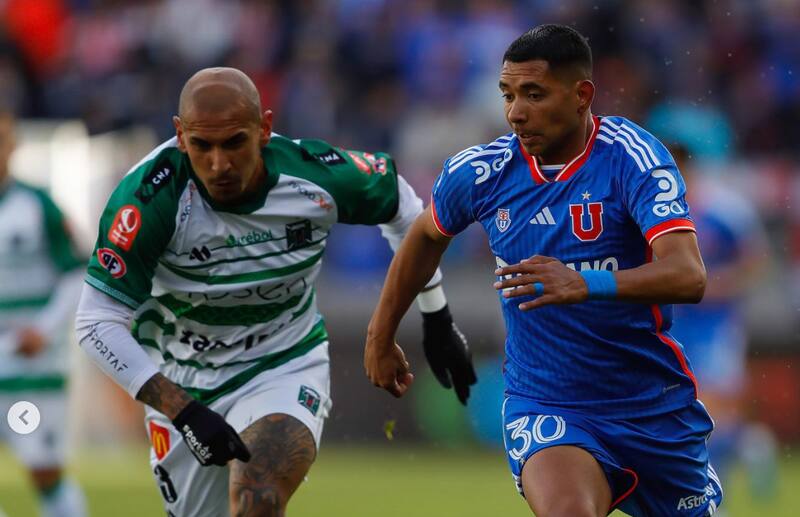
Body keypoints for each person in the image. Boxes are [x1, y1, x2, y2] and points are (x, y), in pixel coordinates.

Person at [74, 67, 475, 517]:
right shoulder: (149, 199)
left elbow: (404, 206)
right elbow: (95, 322)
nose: (219, 164)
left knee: (257, 497)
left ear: (264, 128)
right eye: (202, 145)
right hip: (182, 380)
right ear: (180, 135)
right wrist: (182, 409)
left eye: (234, 143)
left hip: (283, 364)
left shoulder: (312, 175)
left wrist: (435, 314)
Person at [365, 25, 722, 517]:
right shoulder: (483, 173)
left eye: (534, 94)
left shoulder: (631, 158)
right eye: (508, 95)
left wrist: (584, 283)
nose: (516, 112)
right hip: (548, 404)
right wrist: (380, 335)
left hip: (652, 408)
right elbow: (425, 235)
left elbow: (689, 274)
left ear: (582, 96)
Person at [668, 144, 776, 501]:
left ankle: (715, 493)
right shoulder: (651, 210)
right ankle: (751, 445)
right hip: (673, 323)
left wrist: (722, 284)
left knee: (710, 408)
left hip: (715, 325)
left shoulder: (724, 209)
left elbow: (757, 261)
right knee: (688, 411)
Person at [0, 110, 87, 516]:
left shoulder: (38, 205)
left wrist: (44, 329)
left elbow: (77, 274)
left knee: (42, 468)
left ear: (13, 146)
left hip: (30, 367)